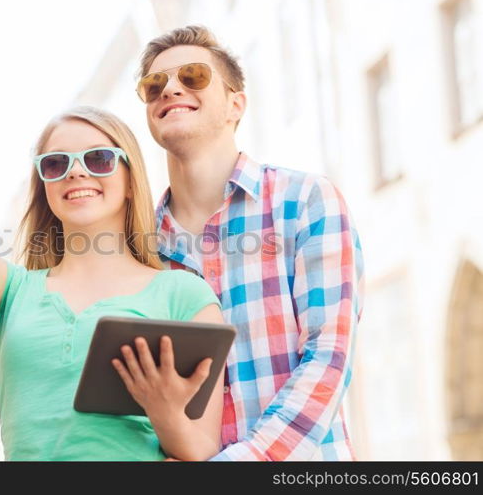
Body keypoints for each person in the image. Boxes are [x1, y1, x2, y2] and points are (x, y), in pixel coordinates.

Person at [0, 66, 226, 461]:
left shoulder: (186, 296)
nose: (76, 171)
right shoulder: (11, 295)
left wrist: (165, 412)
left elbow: (202, 451)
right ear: (45, 186)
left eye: (98, 159)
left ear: (131, 181)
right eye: (55, 163)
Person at [136, 26, 365, 460]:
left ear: (235, 104)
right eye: (154, 84)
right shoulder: (139, 248)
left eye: (193, 76)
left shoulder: (305, 202)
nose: (169, 88)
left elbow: (327, 360)